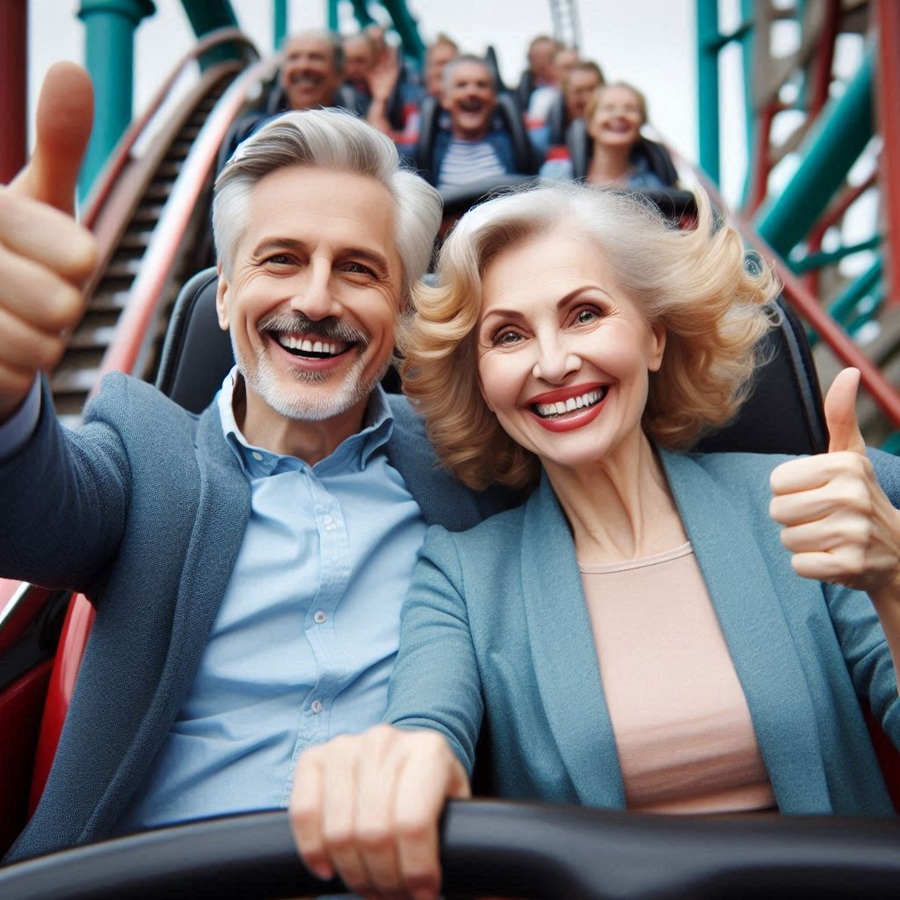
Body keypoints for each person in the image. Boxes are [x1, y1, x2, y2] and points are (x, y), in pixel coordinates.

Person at [290, 182, 900, 898]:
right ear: (482, 379)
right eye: (509, 335)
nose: (552, 364)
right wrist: (398, 765)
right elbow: (428, 724)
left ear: (653, 334)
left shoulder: (807, 499)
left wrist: (892, 582)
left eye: (585, 314)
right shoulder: (461, 572)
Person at [0, 62, 513, 864]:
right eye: (280, 260)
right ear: (223, 295)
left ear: (404, 308)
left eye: (359, 268)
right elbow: (24, 512)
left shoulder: (468, 452)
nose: (316, 299)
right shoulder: (143, 448)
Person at [400, 55, 537, 190]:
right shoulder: (424, 153)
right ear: (445, 99)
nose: (472, 92)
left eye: (481, 85)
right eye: (462, 85)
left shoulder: (517, 149)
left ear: (494, 98)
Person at [540, 81, 675, 188]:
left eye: (630, 109)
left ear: (641, 124)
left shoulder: (654, 187)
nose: (619, 115)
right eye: (608, 108)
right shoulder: (555, 175)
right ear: (590, 124)